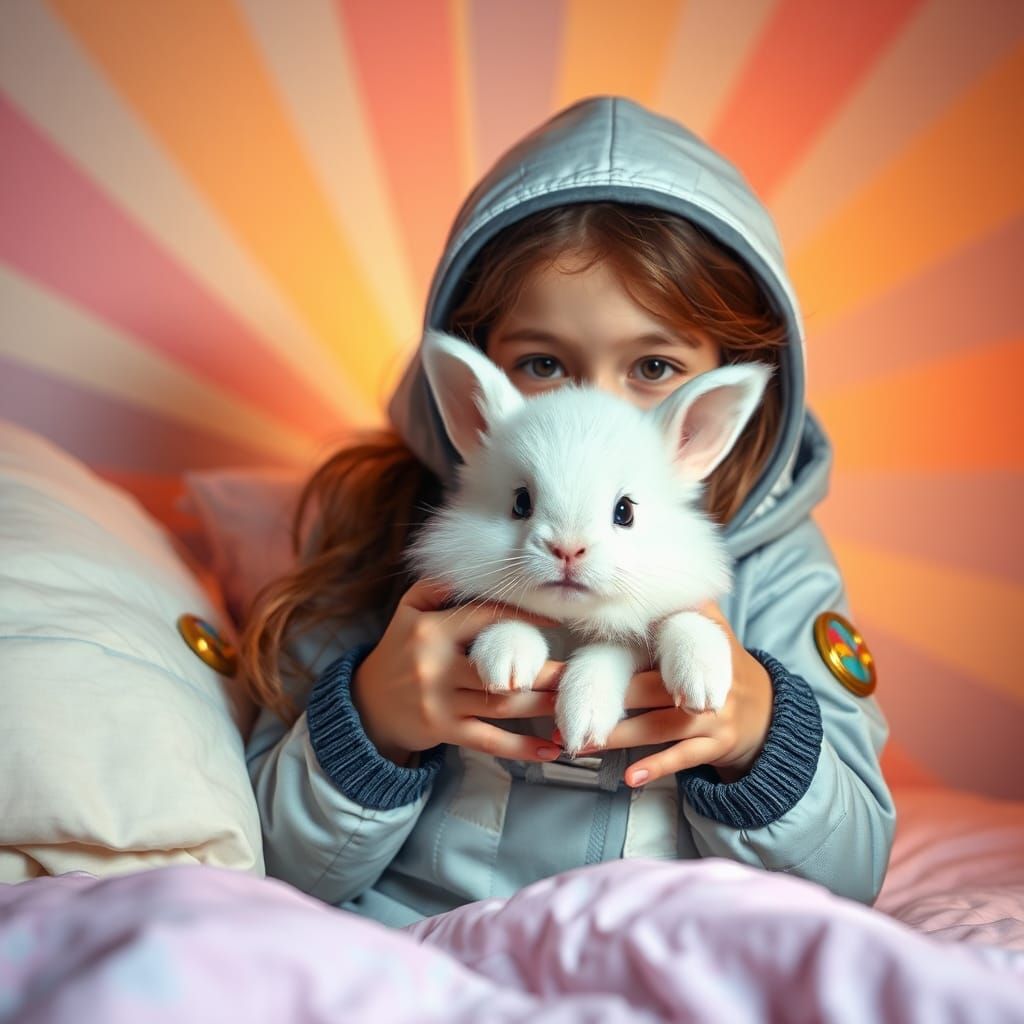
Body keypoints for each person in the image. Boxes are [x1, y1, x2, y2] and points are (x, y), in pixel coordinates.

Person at [240, 97, 895, 924]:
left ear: (707, 416)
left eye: (652, 367)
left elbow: (851, 875)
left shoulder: (778, 566)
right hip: (419, 937)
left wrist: (758, 736)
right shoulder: (385, 524)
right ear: (475, 390)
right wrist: (375, 719)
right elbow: (267, 859)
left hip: (662, 946)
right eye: (544, 363)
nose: (595, 413)